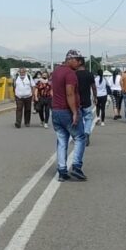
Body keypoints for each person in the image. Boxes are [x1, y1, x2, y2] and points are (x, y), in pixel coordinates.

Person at [51, 50, 87, 182]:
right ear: (71, 60)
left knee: (61, 140)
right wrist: (75, 112)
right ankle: (76, 167)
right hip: (66, 110)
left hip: (55, 110)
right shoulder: (70, 74)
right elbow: (70, 93)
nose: (79, 63)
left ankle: (62, 170)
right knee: (79, 137)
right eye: (78, 60)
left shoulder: (56, 71)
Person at [76, 62, 97, 146]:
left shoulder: (74, 74)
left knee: (79, 119)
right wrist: (95, 97)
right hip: (87, 100)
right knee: (88, 118)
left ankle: (81, 135)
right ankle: (87, 133)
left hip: (76, 101)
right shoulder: (89, 74)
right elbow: (94, 87)